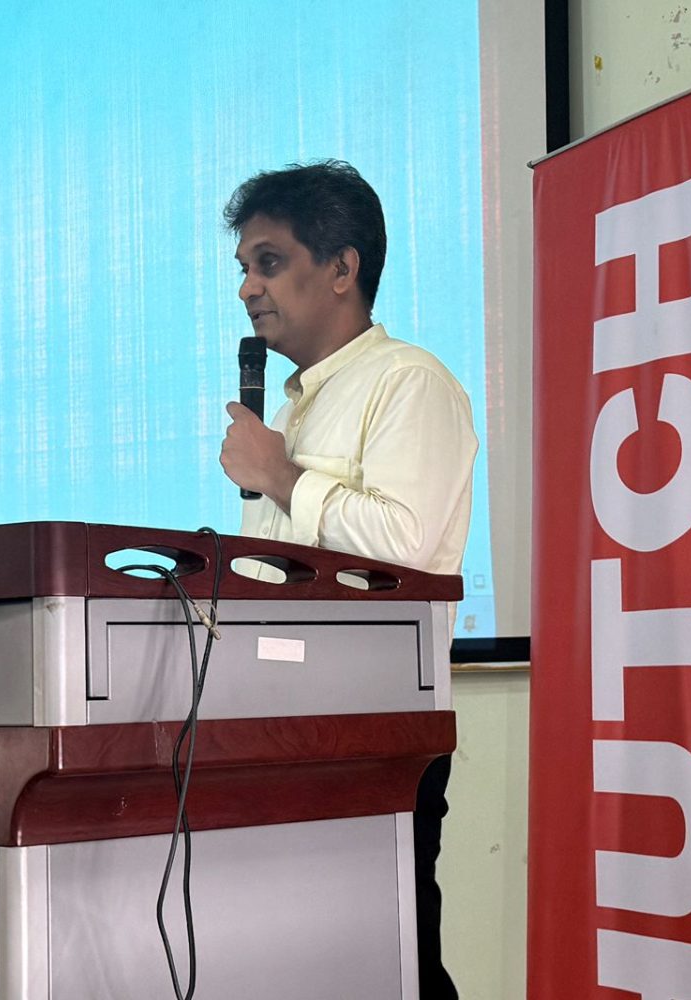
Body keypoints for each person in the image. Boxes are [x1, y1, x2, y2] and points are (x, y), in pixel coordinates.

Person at [218, 160, 477, 1000]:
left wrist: (280, 476)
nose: (248, 289)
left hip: (376, 731)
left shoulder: (409, 382)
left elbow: (403, 549)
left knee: (392, 966)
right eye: (243, 269)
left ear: (341, 267)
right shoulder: (293, 410)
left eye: (269, 262)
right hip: (282, 723)